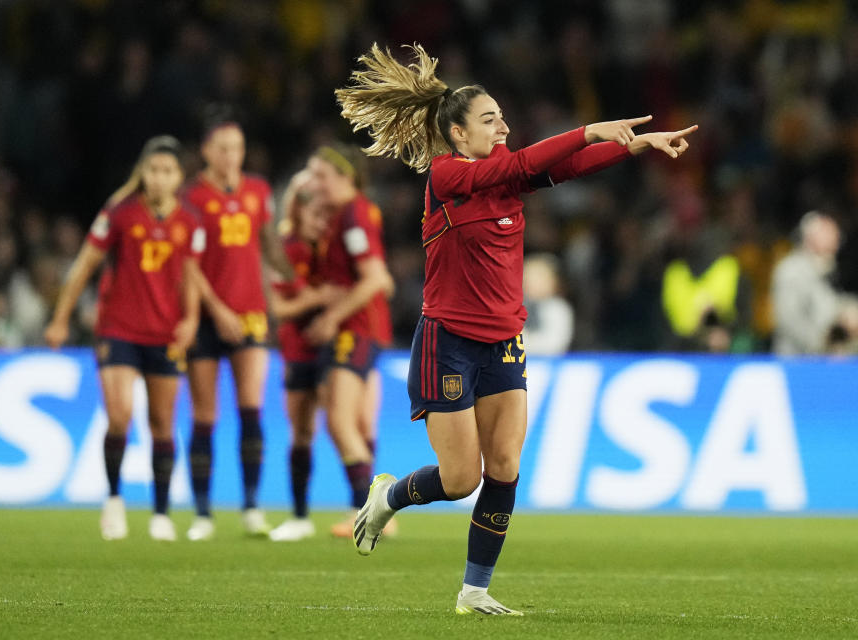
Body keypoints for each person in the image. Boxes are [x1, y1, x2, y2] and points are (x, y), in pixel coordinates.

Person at [335, 44, 697, 615]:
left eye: (502, 116)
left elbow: (560, 167)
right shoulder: (448, 177)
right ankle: (388, 496)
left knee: (503, 468)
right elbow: (531, 162)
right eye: (488, 119)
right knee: (459, 480)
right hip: (447, 343)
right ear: (457, 134)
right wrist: (588, 129)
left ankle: (474, 590)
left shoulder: (505, 183)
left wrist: (633, 147)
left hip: (504, 341)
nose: (502, 125)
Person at [44, 135, 203, 541]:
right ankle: (114, 500)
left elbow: (190, 278)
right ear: (143, 174)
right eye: (153, 170)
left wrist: (191, 319)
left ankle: (162, 513)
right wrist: (60, 318)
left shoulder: (190, 223)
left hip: (165, 333)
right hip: (118, 329)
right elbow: (83, 266)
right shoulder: (119, 214)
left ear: (179, 177)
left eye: (168, 171)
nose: (160, 178)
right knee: (119, 416)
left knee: (162, 424)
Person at [182, 114, 294, 539]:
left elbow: (268, 246)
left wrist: (296, 279)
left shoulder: (258, 192)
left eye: (238, 148)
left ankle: (250, 506)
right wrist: (215, 308)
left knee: (251, 409)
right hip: (208, 318)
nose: (231, 156)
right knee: (205, 415)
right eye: (223, 148)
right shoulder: (191, 197)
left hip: (249, 314)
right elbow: (187, 265)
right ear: (207, 151)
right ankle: (202, 513)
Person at [303, 145, 395, 538]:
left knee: (339, 420)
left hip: (355, 328)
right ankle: (372, 513)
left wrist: (331, 317)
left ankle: (370, 514)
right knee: (357, 422)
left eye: (321, 176)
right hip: (366, 327)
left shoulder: (353, 214)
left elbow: (375, 278)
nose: (315, 185)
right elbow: (382, 279)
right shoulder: (349, 214)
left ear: (344, 177)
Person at [266, 170, 336, 541]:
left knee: (344, 425)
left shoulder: (333, 247)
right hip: (297, 350)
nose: (320, 223)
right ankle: (299, 514)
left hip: (334, 348)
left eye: (325, 216)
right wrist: (315, 298)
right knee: (302, 431)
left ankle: (366, 507)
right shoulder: (288, 249)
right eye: (314, 216)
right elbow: (278, 308)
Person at [772, 211, 842, 355]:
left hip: (822, 360)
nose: (836, 240)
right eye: (829, 234)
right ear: (811, 238)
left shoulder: (826, 270)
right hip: (798, 362)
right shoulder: (792, 270)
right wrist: (822, 344)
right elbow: (789, 319)